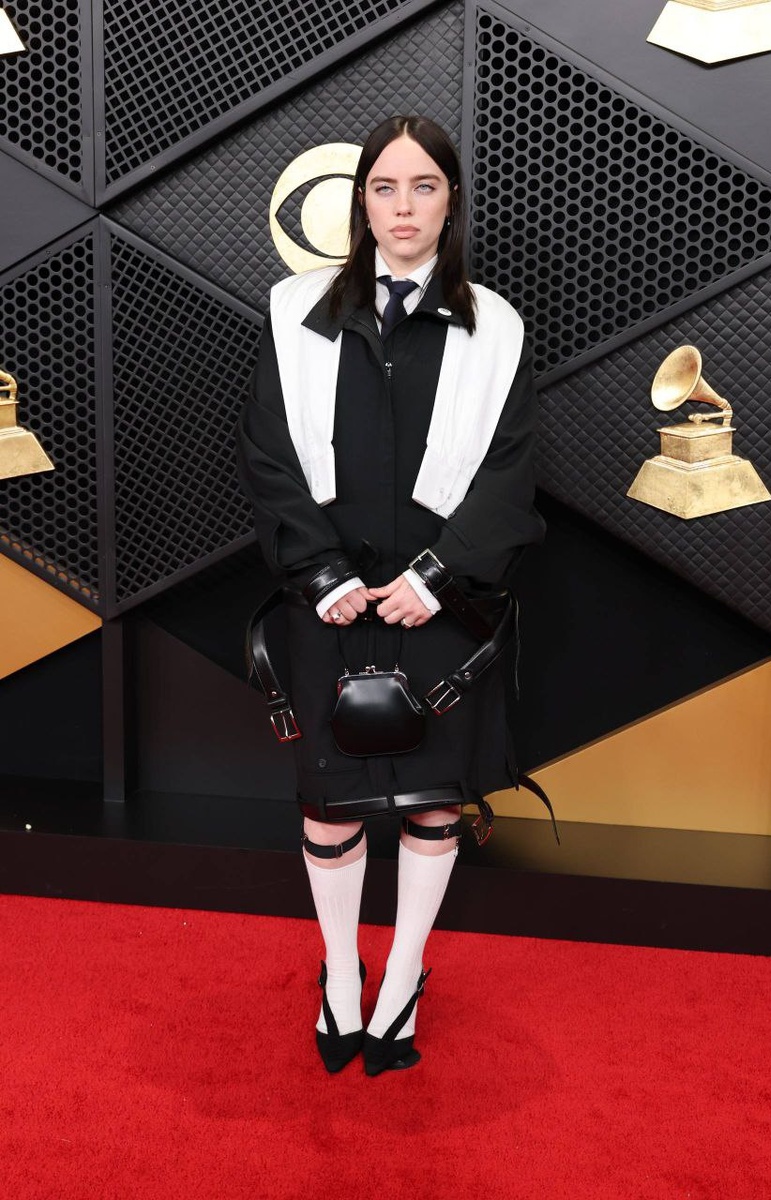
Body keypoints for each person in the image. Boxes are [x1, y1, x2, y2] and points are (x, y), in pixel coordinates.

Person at [236, 115, 545, 1076]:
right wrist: (323, 575)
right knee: (329, 809)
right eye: (384, 187)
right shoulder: (295, 312)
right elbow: (269, 455)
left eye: (424, 187)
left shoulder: (495, 327)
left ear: (451, 202)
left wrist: (435, 578)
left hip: (440, 604)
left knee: (432, 806)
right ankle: (341, 973)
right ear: (360, 202)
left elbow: (510, 473)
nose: (403, 207)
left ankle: (403, 974)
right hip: (326, 599)